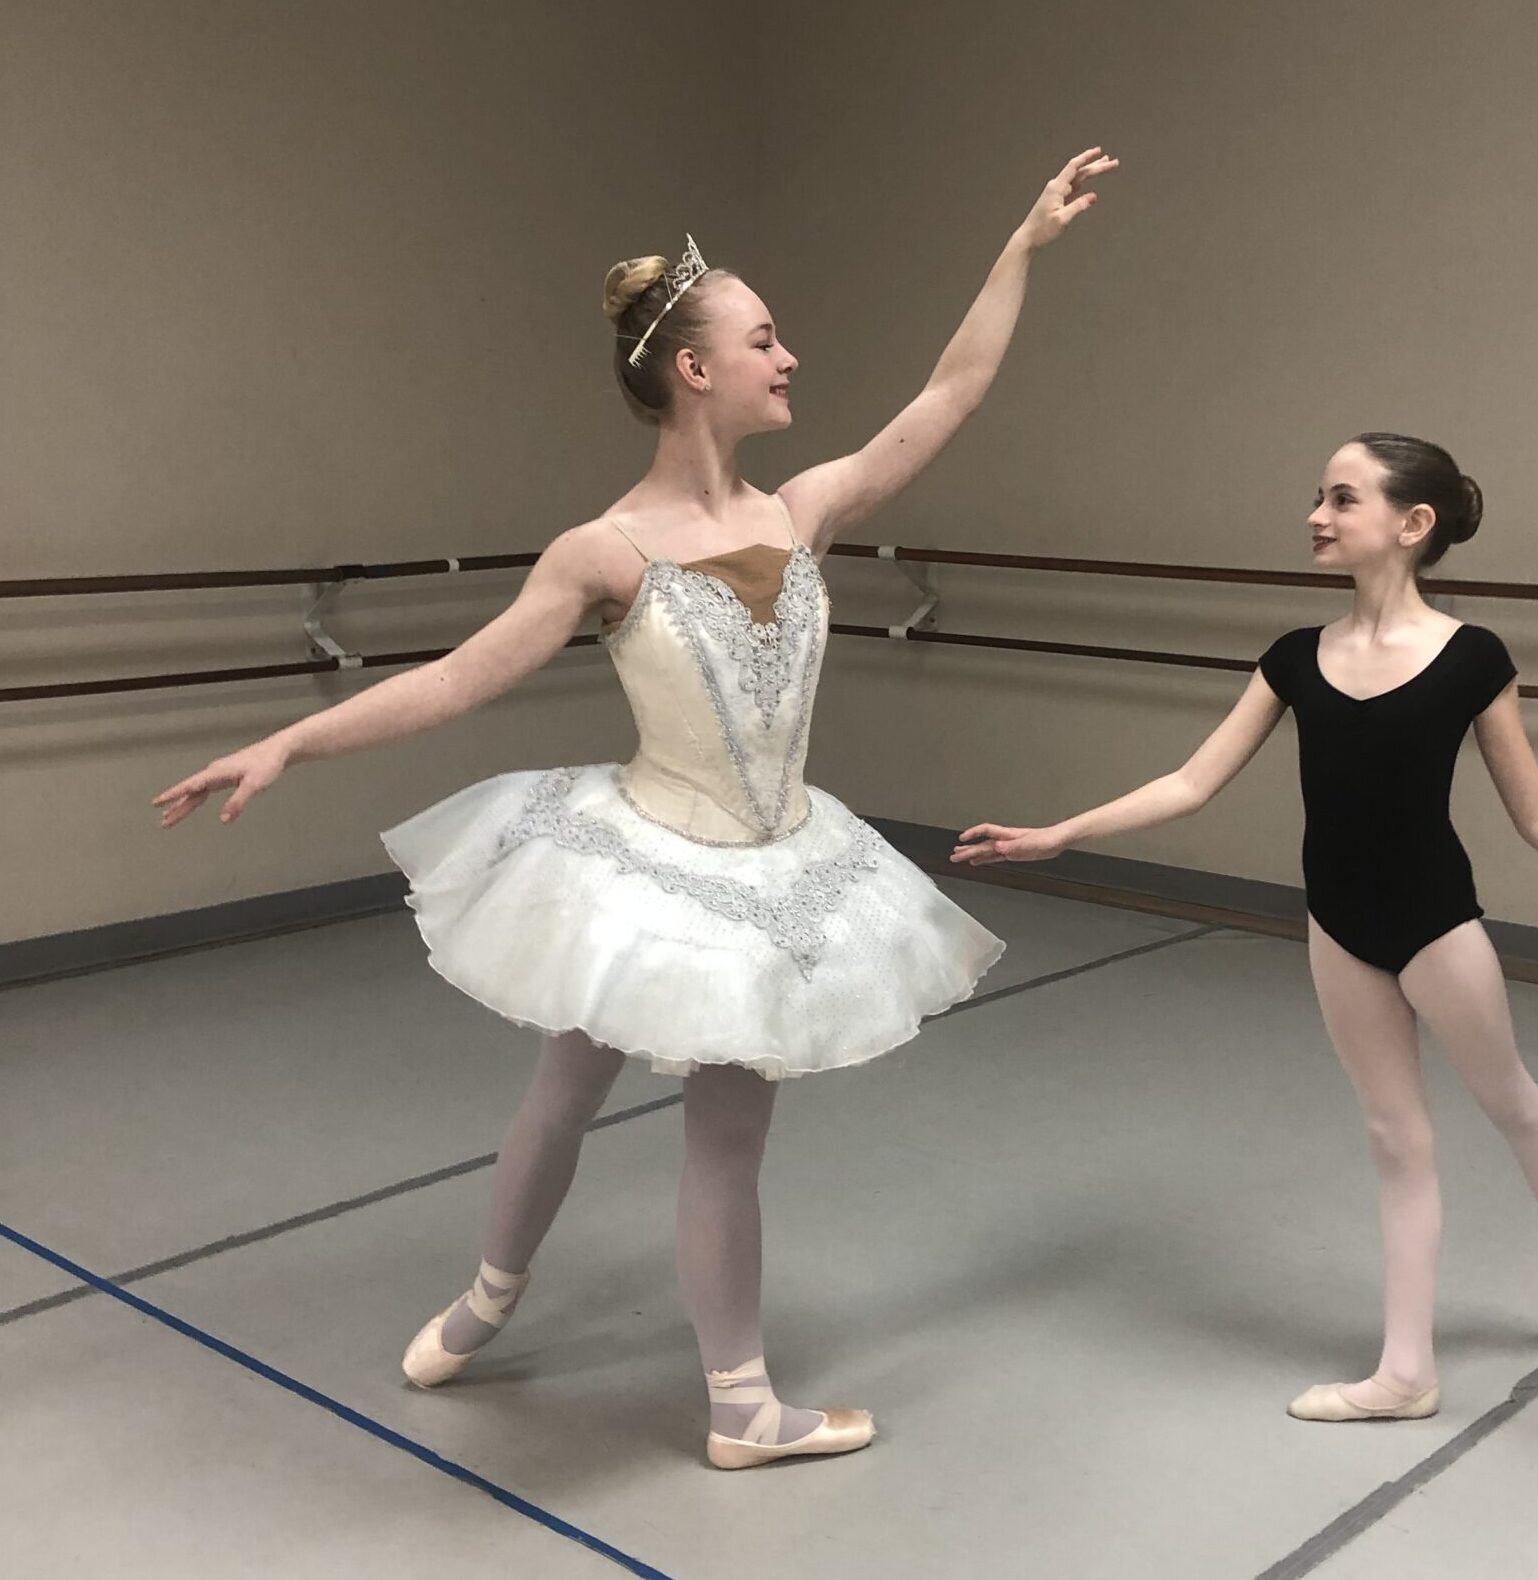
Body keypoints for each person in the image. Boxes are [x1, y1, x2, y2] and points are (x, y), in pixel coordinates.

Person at [154, 146, 1119, 1467]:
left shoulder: (805, 508)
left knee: (721, 1132)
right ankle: (491, 1301)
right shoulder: (601, 552)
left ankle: (731, 1403)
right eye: (764, 339)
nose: (789, 356)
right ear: (694, 369)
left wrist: (1020, 244)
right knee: (564, 1092)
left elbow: (949, 391)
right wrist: (289, 741)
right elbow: (456, 679)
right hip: (649, 860)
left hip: (776, 864)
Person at [952, 432, 1538, 1422]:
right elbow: (1191, 780)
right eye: (1318, 496)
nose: (1316, 516)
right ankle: (1405, 1372)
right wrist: (1061, 833)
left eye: (1341, 499)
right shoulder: (1294, 658)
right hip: (1336, 926)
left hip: (1436, 926)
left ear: (1411, 523)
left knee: (1510, 1101)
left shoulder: (1471, 658)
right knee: (1393, 1137)